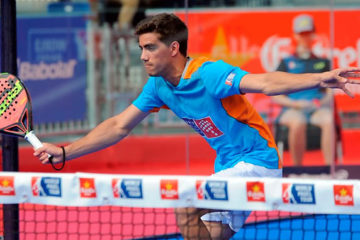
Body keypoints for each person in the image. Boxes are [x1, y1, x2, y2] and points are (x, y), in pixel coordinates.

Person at [34, 13, 359, 240]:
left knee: (187, 205)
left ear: (173, 48)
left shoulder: (208, 73)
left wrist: (320, 77)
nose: (143, 57)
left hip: (257, 161)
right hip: (227, 166)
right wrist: (65, 151)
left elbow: (264, 82)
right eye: (141, 49)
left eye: (150, 47)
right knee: (209, 234)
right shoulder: (158, 86)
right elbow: (119, 125)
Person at [272, 14, 335, 166]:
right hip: (292, 108)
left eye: (308, 33)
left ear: (313, 34)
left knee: (329, 119)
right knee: (298, 121)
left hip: (316, 108)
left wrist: (321, 102)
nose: (305, 37)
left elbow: (330, 92)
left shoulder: (323, 62)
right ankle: (297, 170)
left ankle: (329, 170)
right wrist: (295, 104)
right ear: (295, 35)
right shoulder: (286, 62)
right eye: (302, 34)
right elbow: (275, 94)